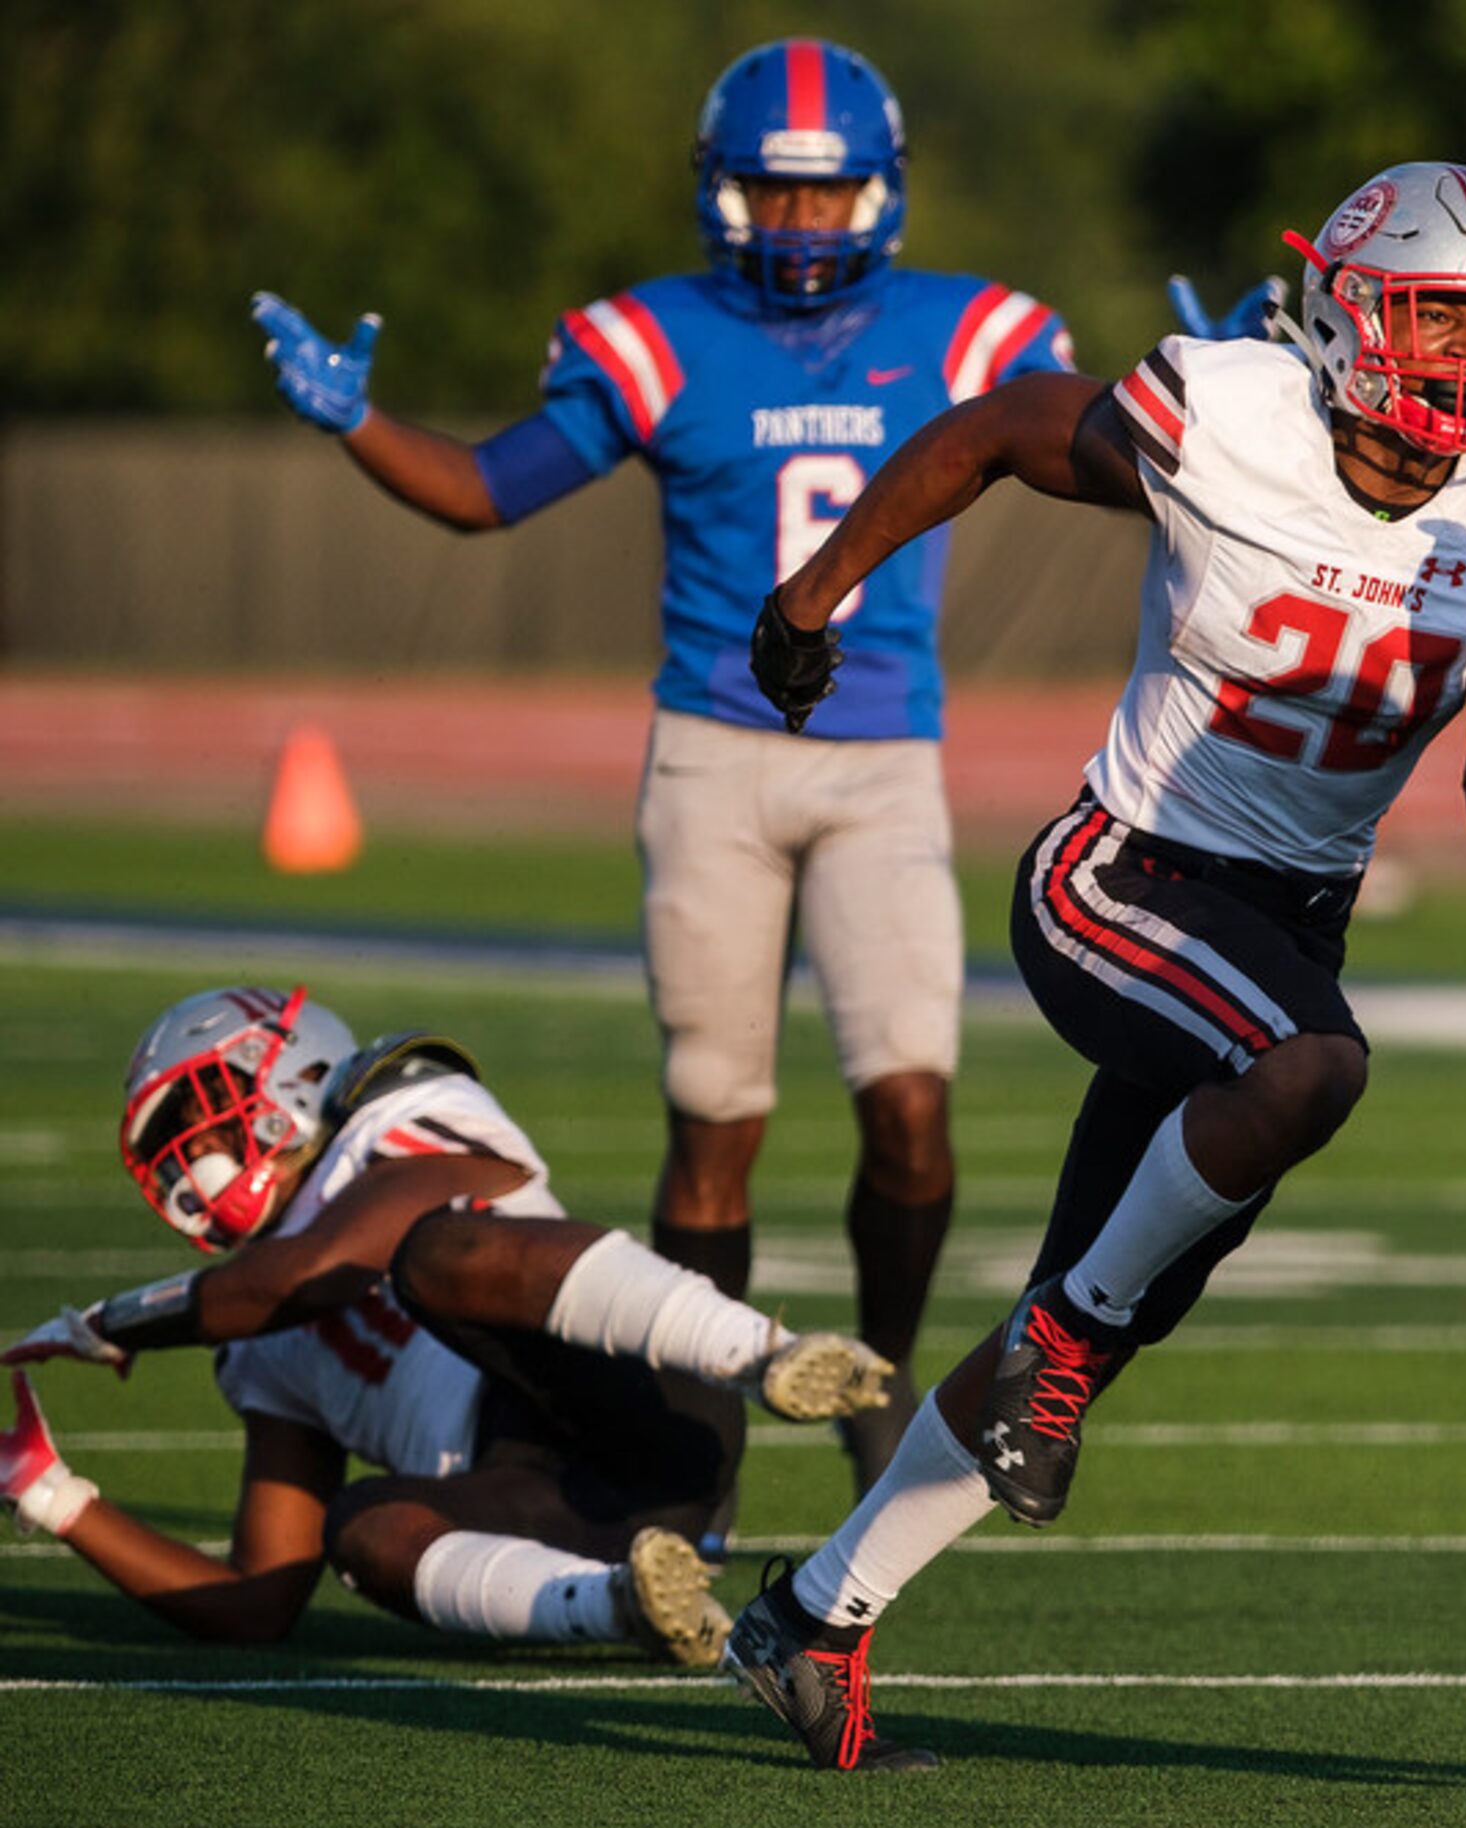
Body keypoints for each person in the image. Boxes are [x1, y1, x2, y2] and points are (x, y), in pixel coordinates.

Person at [718, 160, 1466, 1771]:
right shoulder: (1234, 410)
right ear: (1349, 312)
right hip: (1120, 878)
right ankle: (1051, 1356)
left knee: (1088, 1317)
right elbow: (991, 429)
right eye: (1444, 317)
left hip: (1283, 930)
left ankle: (812, 1613)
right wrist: (811, 593)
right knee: (1308, 1074)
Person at [244, 39, 1078, 1493]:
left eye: (829, 198)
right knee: (716, 1122)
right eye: (775, 194)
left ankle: (879, 1366)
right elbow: (493, 491)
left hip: (884, 757)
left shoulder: (976, 331)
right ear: (723, 194)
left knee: (913, 1103)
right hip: (714, 758)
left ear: (881, 196)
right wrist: (359, 423)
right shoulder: (657, 335)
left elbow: (1110, 444)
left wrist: (1245, 391)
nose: (804, 225)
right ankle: (705, 1422)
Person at [0, 985, 890, 1660]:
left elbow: (307, 1276)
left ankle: (767, 1352)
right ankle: (624, 1603)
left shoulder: (399, 1110)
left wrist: (106, 1325)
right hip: (547, 1506)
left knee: (430, 1255)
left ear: (287, 1069)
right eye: (173, 1155)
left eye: (198, 1123)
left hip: (649, 1398)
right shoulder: (251, 1340)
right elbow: (257, 1599)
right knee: (359, 1527)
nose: (191, 1168)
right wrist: (49, 1490)